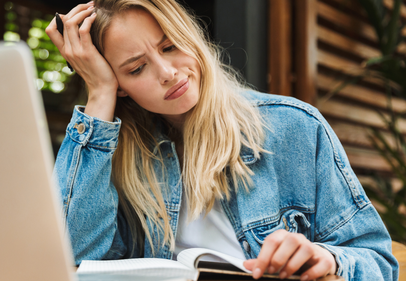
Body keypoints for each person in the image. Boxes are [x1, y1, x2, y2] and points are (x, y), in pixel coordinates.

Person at [46, 0, 398, 280]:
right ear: (119, 84)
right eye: (137, 68)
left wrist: (327, 258)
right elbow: (71, 259)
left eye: (170, 46)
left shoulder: (291, 127)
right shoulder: (120, 157)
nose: (168, 73)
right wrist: (99, 93)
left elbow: (378, 262)